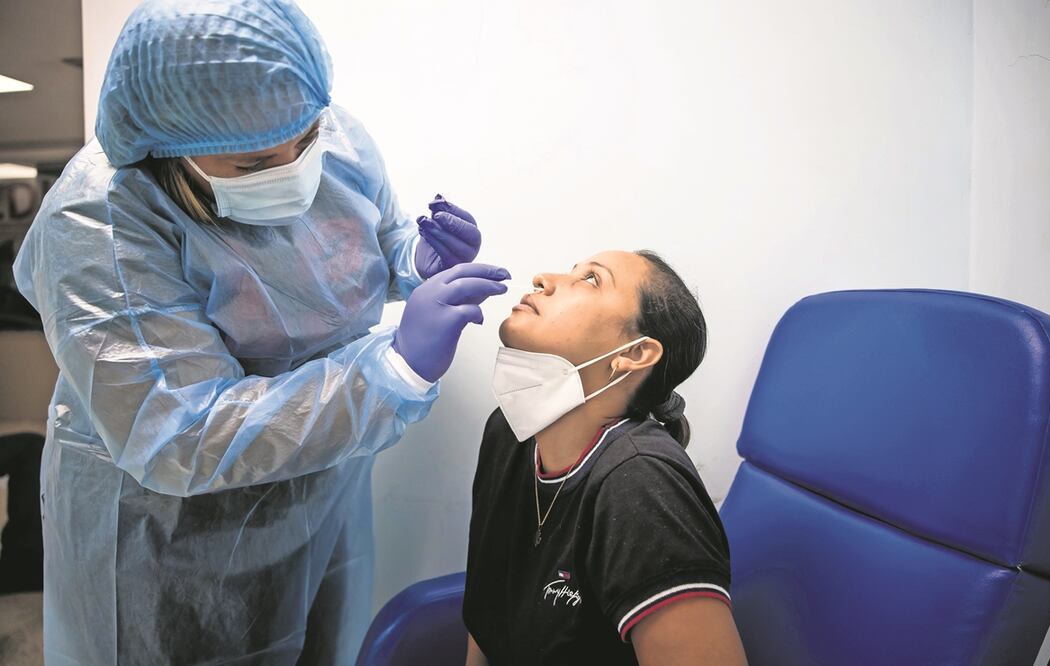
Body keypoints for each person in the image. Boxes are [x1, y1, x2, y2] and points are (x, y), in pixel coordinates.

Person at [13, 1, 509, 663]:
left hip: (319, 495)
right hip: (166, 539)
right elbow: (178, 433)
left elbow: (354, 236)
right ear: (165, 148)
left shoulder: (325, 134)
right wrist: (390, 372)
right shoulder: (98, 222)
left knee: (320, 639)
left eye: (304, 143)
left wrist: (409, 260)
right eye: (251, 165)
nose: (294, 169)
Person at [464, 250, 747, 665]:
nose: (544, 278)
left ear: (633, 354)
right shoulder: (508, 435)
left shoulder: (641, 484)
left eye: (592, 280)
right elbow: (487, 618)